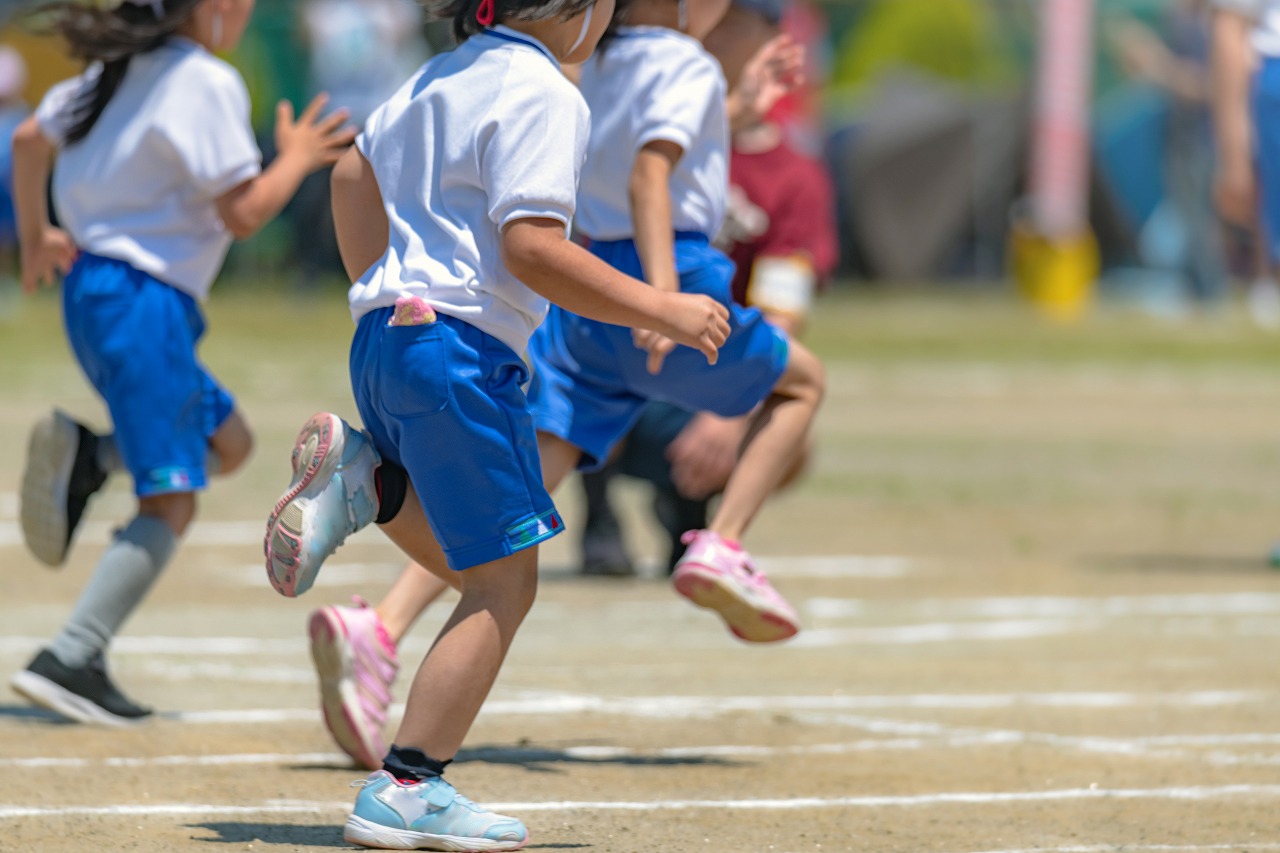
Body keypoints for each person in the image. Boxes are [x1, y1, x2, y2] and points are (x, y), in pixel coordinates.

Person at [292, 4, 814, 775]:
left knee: (505, 526)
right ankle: (410, 779)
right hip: (513, 327)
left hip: (398, 332)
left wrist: (379, 287)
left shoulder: (444, 73)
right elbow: (560, 230)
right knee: (506, 579)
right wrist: (663, 301)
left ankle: (380, 576)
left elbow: (349, 172)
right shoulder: (554, 83)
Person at [10, 0, 354, 726]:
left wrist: (39, 231)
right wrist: (294, 157)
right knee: (172, 498)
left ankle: (94, 456)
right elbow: (244, 211)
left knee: (230, 444)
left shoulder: (111, 69)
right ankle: (72, 655)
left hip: (100, 296)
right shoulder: (204, 80)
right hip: (143, 305)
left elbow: (31, 139)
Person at [577, 0, 838, 577]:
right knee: (798, 385)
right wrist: (662, 298)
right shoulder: (658, 80)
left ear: (773, 39)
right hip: (652, 321)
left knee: (779, 418)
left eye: (735, 21)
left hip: (696, 361)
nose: (714, 29)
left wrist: (727, 418)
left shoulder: (790, 174)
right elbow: (648, 176)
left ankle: (687, 509)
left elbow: (783, 301)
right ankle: (621, 521)